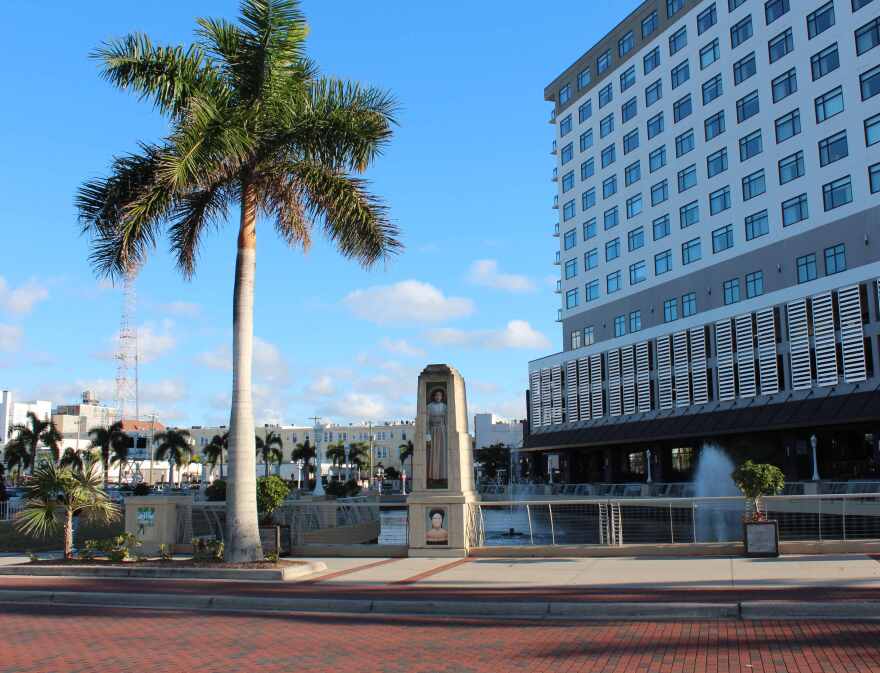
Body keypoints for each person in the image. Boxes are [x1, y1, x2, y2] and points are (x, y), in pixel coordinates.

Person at [426, 388, 448, 486]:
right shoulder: (429, 407)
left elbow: (447, 421)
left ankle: (443, 476)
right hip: (433, 430)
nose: (438, 397)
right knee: (433, 454)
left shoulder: (445, 407)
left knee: (442, 454)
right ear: (433, 396)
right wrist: (428, 435)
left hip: (442, 431)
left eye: (440, 395)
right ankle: (432, 477)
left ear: (442, 397)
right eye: (436, 395)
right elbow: (426, 422)